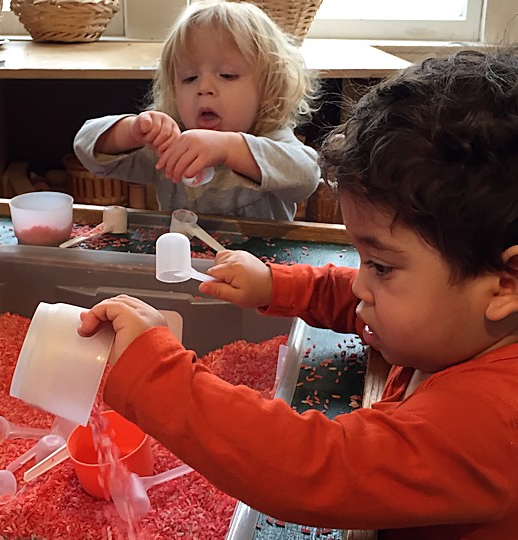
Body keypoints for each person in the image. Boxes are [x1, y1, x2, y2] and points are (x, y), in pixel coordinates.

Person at [78, 49, 518, 538]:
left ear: (504, 284)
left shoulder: (492, 422)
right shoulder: (463, 322)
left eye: (380, 266)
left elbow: (315, 466)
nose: (358, 284)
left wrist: (154, 375)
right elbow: (367, 302)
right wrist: (277, 284)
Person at [73, 0, 320, 220]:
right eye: (189, 78)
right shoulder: (170, 144)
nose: (203, 87)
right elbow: (85, 146)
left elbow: (307, 177)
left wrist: (228, 148)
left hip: (260, 269)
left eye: (227, 75)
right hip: (182, 269)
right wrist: (133, 131)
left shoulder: (270, 136)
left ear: (269, 87)